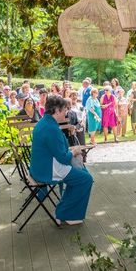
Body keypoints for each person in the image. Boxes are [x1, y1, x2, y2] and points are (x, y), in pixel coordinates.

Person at [30, 95, 93, 225]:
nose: (66, 112)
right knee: (85, 179)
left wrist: (70, 151)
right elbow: (63, 159)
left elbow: (57, 151)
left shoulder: (45, 122)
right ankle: (67, 214)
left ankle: (64, 212)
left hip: (41, 166)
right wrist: (74, 151)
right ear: (57, 110)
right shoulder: (51, 128)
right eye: (65, 109)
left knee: (82, 177)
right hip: (48, 168)